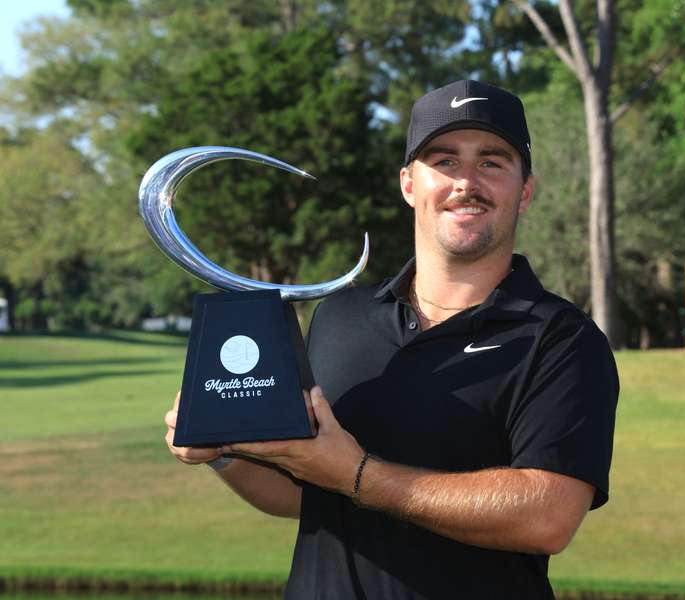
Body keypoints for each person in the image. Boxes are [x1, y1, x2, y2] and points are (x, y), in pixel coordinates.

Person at [164, 79, 619, 600]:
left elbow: (547, 516)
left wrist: (359, 475)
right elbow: (302, 495)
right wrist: (223, 451)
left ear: (526, 189)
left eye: (491, 162)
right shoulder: (339, 317)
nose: (466, 182)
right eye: (444, 162)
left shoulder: (561, 339)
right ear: (408, 184)